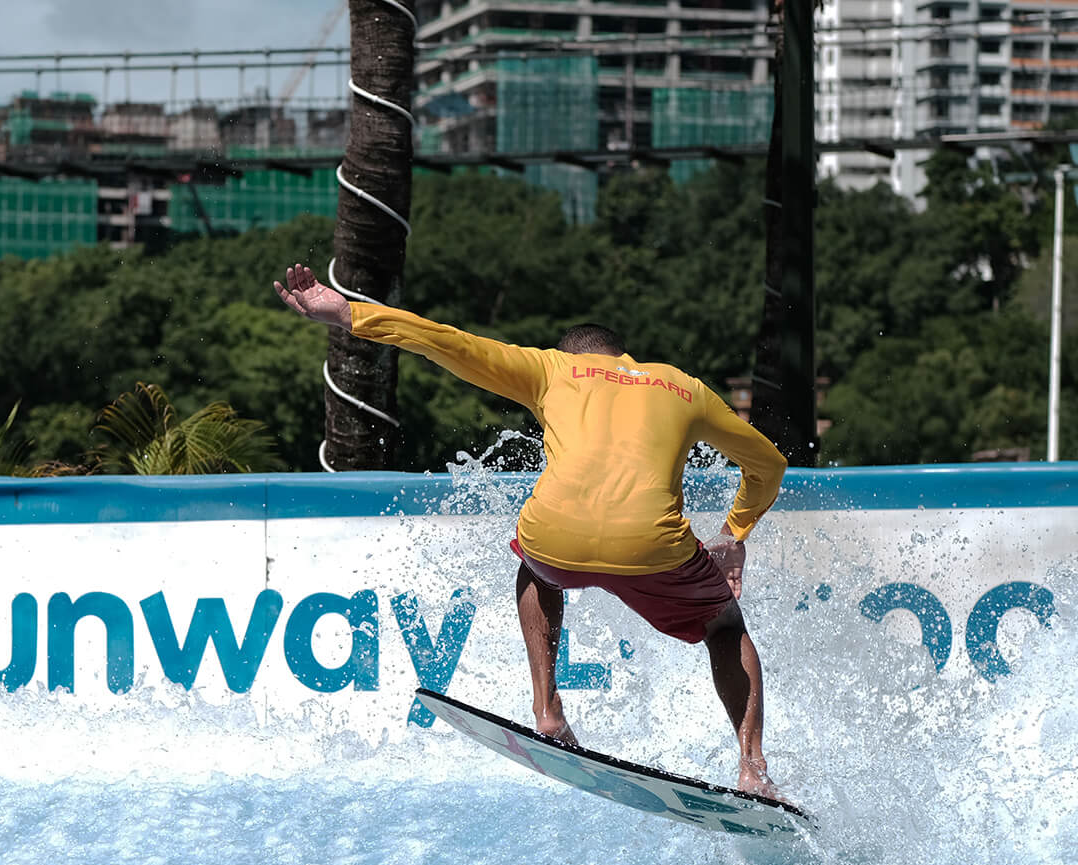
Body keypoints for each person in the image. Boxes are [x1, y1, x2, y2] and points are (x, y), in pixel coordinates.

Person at [273, 263, 789, 797]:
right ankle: (753, 769)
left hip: (555, 538)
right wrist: (734, 533)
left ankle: (547, 709)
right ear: (622, 355)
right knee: (725, 626)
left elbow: (447, 342)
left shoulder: (550, 370)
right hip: (653, 546)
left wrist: (347, 313)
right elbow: (768, 465)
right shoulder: (682, 387)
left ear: (571, 354)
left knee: (535, 566)